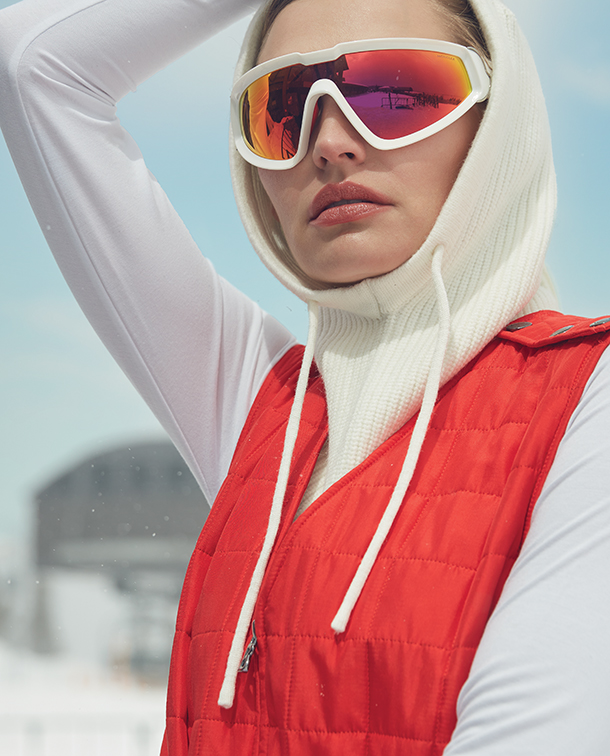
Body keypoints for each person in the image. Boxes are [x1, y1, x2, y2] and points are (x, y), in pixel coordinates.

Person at [1, 0, 610, 753]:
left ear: (499, 120)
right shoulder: (265, 407)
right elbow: (35, 64)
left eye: (395, 92)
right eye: (281, 109)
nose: (328, 144)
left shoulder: (589, 403)